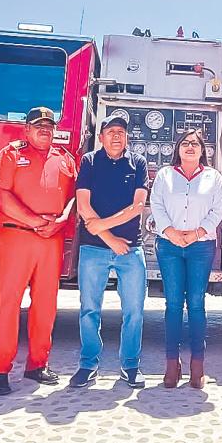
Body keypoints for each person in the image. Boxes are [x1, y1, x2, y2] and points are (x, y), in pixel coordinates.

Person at [0, 107, 76, 395]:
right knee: (7, 303)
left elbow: (74, 196)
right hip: (17, 236)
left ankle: (37, 364)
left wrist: (61, 220)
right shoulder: (11, 154)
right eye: (38, 126)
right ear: (27, 130)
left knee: (46, 304)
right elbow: (1, 195)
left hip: (51, 239)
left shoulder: (65, 158)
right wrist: (36, 221)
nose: (44, 130)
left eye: (49, 126)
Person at [70, 114, 150, 389]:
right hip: (94, 248)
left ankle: (130, 365)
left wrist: (103, 227)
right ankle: (88, 364)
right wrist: (109, 238)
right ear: (101, 136)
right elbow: (83, 205)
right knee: (89, 309)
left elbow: (138, 206)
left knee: (134, 311)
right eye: (111, 131)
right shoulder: (90, 161)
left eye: (121, 132)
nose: (116, 136)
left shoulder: (138, 162)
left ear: (127, 137)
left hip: (130, 248)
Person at [149, 128, 222, 389]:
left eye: (195, 143)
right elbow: (156, 205)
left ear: (203, 150)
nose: (190, 147)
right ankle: (172, 364)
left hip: (200, 247)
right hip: (169, 246)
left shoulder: (213, 177)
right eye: (185, 143)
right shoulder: (165, 175)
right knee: (172, 304)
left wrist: (197, 233)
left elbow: (218, 209)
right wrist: (170, 232)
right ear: (177, 149)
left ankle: (197, 365)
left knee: (196, 304)